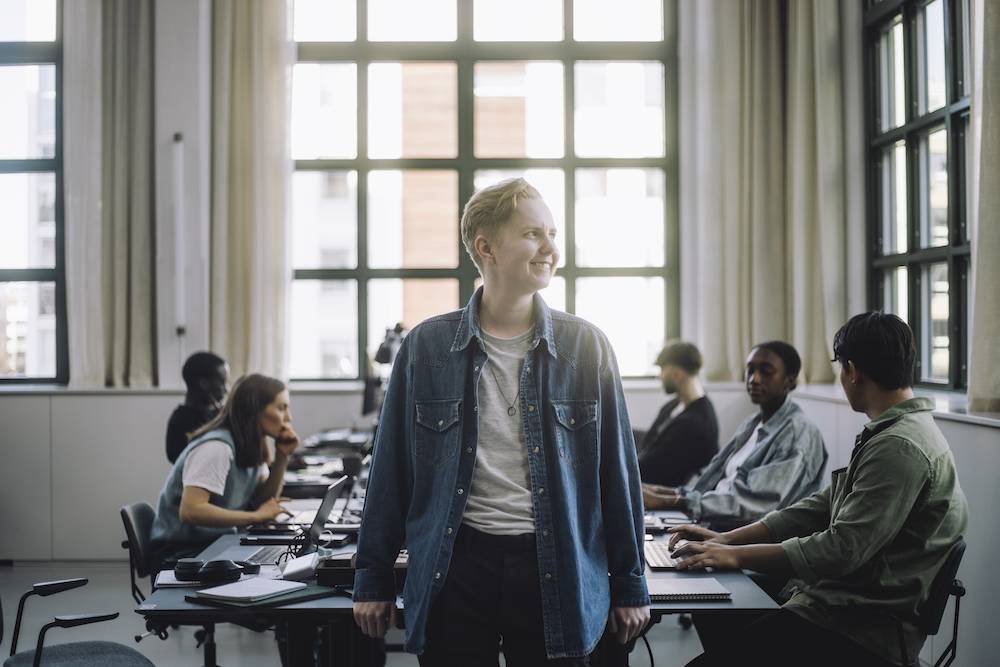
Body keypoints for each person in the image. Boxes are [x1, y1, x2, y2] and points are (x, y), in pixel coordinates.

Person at [353, 178, 650, 665]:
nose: (551, 248)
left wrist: (630, 582)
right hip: (456, 566)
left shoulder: (586, 346)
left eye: (553, 234)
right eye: (534, 233)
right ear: (485, 247)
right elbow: (390, 474)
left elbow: (616, 477)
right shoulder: (425, 348)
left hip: (556, 564)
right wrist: (374, 576)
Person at [669, 312, 969, 667]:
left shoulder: (900, 446)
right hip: (838, 606)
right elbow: (820, 506)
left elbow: (842, 548)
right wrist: (728, 540)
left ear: (852, 370)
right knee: (715, 601)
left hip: (858, 627)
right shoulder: (893, 432)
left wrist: (735, 555)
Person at [643, 341, 827, 531]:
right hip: (712, 525)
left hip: (745, 543)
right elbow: (709, 488)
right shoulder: (751, 424)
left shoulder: (797, 433)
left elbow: (753, 505)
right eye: (750, 370)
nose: (754, 379)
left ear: (790, 380)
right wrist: (656, 493)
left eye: (766, 371)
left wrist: (669, 501)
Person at [150, 373, 298, 565]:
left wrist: (282, 457)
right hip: (182, 555)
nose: (289, 417)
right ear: (256, 410)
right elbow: (191, 510)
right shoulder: (217, 447)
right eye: (281, 408)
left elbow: (262, 500)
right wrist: (254, 516)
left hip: (215, 545)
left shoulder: (252, 444)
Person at [636, 341, 719, 487]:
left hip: (652, 488)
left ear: (677, 374)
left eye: (662, 370)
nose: (660, 376)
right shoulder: (673, 405)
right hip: (644, 467)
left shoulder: (695, 424)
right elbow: (650, 442)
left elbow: (648, 470)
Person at [166, 351, 230, 463]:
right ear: (203, 384)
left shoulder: (221, 414)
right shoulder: (180, 421)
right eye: (222, 383)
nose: (226, 389)